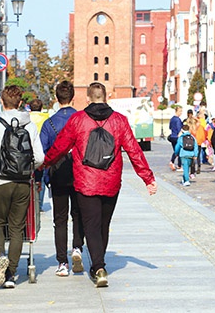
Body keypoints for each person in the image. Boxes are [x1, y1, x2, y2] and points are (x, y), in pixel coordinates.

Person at [43, 82, 157, 288]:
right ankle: (98, 264)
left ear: (87, 98)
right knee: (103, 224)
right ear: (106, 97)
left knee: (91, 226)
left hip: (86, 181)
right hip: (111, 181)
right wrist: (147, 178)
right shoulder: (120, 121)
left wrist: (45, 162)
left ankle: (99, 266)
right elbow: (134, 151)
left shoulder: (78, 120)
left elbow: (60, 146)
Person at [0, 85, 45, 289]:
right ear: (21, 103)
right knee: (17, 228)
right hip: (23, 182)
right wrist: (28, 168)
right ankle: (11, 275)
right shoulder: (30, 126)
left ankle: (0, 257)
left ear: (2, 103)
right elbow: (40, 157)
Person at [39, 81, 85, 277]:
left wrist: (41, 176)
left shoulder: (49, 123)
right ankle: (77, 247)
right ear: (73, 97)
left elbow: (42, 152)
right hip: (80, 173)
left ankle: (62, 263)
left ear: (56, 99)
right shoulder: (82, 120)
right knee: (78, 214)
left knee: (60, 219)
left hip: (57, 174)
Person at [28, 98, 50, 211]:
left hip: (28, 154)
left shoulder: (26, 118)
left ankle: (30, 203)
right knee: (40, 179)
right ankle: (39, 205)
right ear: (41, 108)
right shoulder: (47, 119)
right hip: (42, 152)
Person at [168, 106, 183, 171]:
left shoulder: (172, 119)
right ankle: (178, 165)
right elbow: (179, 129)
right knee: (179, 151)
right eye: (180, 111)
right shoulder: (178, 120)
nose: (181, 113)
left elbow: (170, 127)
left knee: (176, 151)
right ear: (177, 111)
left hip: (172, 137)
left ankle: (173, 162)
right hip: (177, 137)